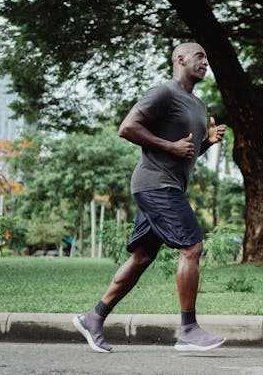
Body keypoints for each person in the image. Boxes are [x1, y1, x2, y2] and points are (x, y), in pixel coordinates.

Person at [73, 42, 227, 353]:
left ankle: (93, 318)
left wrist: (207, 143)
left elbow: (187, 150)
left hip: (167, 185)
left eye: (207, 58)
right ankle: (188, 330)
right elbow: (128, 128)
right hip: (156, 185)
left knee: (142, 257)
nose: (205, 62)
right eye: (200, 56)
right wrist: (169, 147)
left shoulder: (198, 105)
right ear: (180, 59)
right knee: (192, 247)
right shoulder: (164, 93)